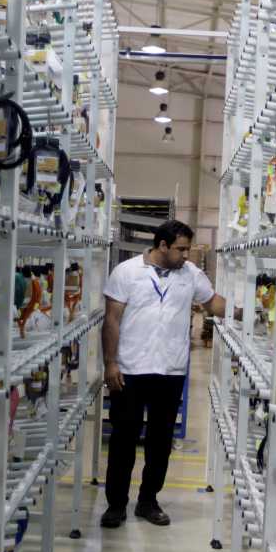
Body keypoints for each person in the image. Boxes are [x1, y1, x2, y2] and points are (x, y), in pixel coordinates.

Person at [101, 220, 227, 528]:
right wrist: (110, 364)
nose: (187, 255)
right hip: (130, 370)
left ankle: (148, 501)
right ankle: (116, 505)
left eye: (188, 248)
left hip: (169, 371)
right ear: (162, 246)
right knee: (123, 440)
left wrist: (251, 308)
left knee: (159, 442)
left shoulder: (191, 275)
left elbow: (213, 304)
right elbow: (112, 320)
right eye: (181, 249)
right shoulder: (127, 273)